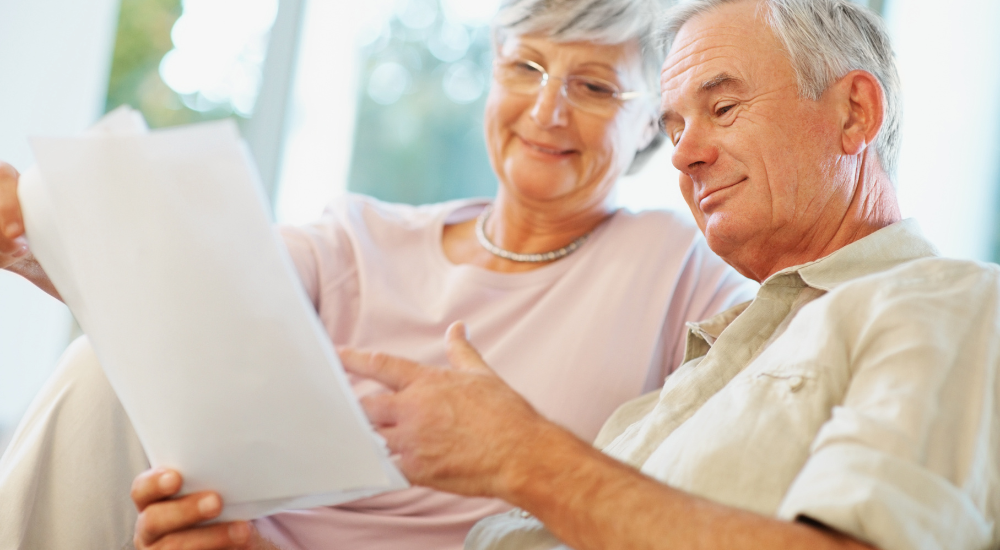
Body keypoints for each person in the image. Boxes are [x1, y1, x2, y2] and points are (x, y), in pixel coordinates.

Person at [131, 0, 1000, 548]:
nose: (686, 154)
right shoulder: (703, 364)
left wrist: (524, 457)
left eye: (723, 107)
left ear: (855, 113)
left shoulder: (946, 306)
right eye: (673, 121)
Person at [0, 1, 757, 549]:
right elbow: (189, 292)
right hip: (228, 540)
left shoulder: (681, 270)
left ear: (649, 129)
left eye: (594, 87)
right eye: (524, 67)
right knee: (100, 368)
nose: (547, 109)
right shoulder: (356, 239)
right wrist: (47, 240)